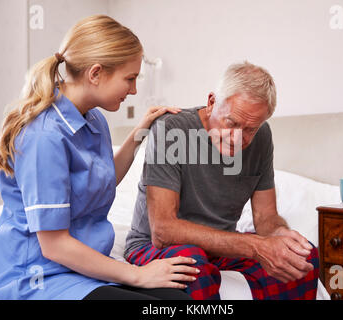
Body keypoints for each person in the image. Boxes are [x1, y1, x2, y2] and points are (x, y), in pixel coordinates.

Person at [0, 15, 198, 300]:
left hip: (80, 268)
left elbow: (102, 178)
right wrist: (139, 275)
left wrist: (139, 132)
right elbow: (54, 246)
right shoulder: (43, 136)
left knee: (180, 299)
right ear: (96, 73)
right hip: (37, 276)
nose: (134, 90)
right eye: (130, 79)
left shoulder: (94, 119)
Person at [124, 62, 319, 300]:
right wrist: (256, 247)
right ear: (211, 102)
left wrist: (280, 236)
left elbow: (265, 218)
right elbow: (163, 230)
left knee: (303, 257)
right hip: (156, 246)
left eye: (250, 129)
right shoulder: (171, 129)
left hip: (221, 247)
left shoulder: (262, 137)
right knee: (191, 265)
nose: (239, 137)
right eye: (232, 123)